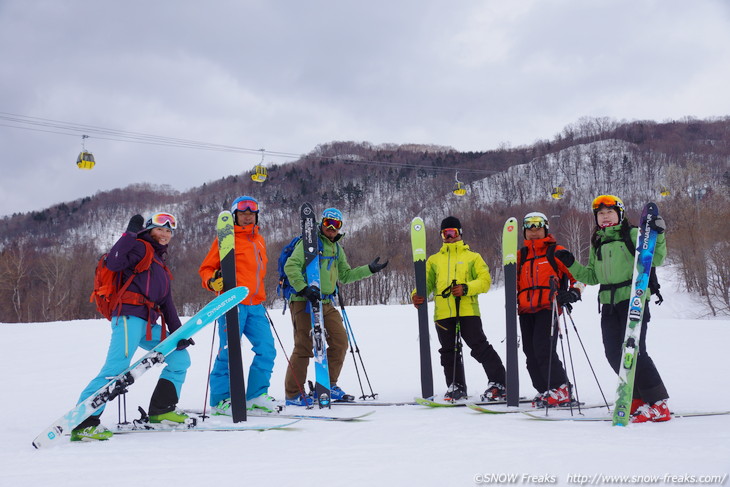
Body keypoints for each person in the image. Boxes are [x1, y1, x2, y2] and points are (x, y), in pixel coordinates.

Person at [71, 212, 192, 441]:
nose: (165, 234)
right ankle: (84, 422)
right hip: (128, 318)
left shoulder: (160, 264)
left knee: (179, 358)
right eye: (160, 229)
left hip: (147, 324)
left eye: (169, 231)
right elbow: (114, 262)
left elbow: (167, 303)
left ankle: (162, 410)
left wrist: (179, 334)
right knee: (114, 370)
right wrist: (129, 233)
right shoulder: (138, 247)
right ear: (148, 230)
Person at [554, 195, 670, 423]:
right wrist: (571, 264)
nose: (605, 216)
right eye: (601, 213)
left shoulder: (633, 234)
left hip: (633, 299)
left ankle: (658, 403)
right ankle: (636, 398)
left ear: (620, 214)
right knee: (613, 353)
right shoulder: (597, 241)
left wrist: (659, 234)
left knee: (635, 352)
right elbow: (592, 276)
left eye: (609, 212)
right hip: (608, 303)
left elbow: (656, 259)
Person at [283, 207, 388, 406]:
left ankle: (327, 386)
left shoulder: (337, 248)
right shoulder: (309, 243)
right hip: (303, 301)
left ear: (340, 228)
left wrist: (369, 270)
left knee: (340, 342)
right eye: (328, 223)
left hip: (325, 302)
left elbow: (346, 275)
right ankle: (294, 394)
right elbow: (291, 266)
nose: (331, 228)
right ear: (321, 224)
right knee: (304, 347)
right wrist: (304, 289)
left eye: (336, 225)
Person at [411, 216, 506, 402]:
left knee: (479, 347)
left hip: (467, 311)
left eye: (452, 233)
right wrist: (416, 294)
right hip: (443, 313)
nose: (448, 236)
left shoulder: (473, 257)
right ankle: (456, 386)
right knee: (448, 352)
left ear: (460, 234)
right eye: (445, 233)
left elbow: (485, 281)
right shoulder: (434, 260)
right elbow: (426, 283)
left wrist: (466, 288)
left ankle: (499, 383)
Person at [199, 196, 278, 414]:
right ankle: (220, 400)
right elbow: (206, 269)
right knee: (228, 352)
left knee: (267, 350)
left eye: (251, 213)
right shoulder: (226, 238)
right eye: (243, 213)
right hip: (232, 303)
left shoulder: (259, 241)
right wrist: (213, 280)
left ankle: (255, 396)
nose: (247, 216)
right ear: (235, 216)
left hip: (256, 305)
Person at [517, 212, 582, 407]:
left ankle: (561, 388)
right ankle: (545, 389)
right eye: (530, 229)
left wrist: (573, 293)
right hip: (525, 310)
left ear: (545, 229)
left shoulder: (556, 251)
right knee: (530, 352)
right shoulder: (521, 255)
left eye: (538, 228)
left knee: (543, 348)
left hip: (548, 307)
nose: (534, 232)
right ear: (524, 232)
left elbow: (579, 277)